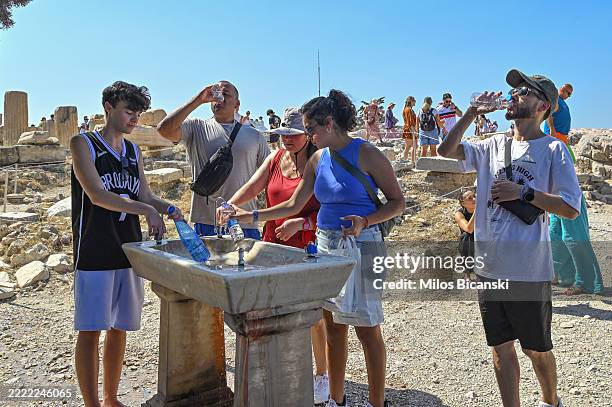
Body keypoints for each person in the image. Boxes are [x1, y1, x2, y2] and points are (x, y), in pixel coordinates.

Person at [225, 90, 405, 407]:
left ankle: (378, 402)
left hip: (362, 244)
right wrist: (253, 215)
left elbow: (397, 202)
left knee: (366, 328)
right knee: (333, 327)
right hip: (326, 245)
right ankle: (337, 399)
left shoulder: (368, 154)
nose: (307, 135)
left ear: (330, 123)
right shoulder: (318, 158)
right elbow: (294, 204)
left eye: (311, 129)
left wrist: (366, 219)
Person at [439, 69, 582, 407]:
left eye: (524, 92)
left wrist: (525, 192)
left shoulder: (553, 150)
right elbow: (447, 150)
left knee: (536, 348)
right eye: (515, 90)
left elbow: (571, 208)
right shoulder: (492, 145)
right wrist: (471, 112)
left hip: (527, 271)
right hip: (489, 269)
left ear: (543, 106)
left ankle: (551, 400)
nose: (515, 95)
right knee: (500, 349)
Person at [70, 81, 184, 407]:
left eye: (138, 112)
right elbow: (96, 194)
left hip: (130, 250)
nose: (134, 118)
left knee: (120, 328)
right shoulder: (83, 144)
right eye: (128, 111)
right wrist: (146, 210)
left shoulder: (134, 151)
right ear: (108, 107)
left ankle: (110, 398)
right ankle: (92, 403)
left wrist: (170, 209)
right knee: (91, 330)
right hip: (95, 249)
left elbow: (144, 194)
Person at [220, 108, 329, 403]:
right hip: (274, 242)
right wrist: (229, 204)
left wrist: (304, 223)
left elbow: (330, 208)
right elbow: (253, 186)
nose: (287, 140)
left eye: (294, 135)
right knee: (273, 307)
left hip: (308, 242)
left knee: (312, 313)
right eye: (283, 135)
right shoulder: (275, 159)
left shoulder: (320, 162)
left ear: (308, 135)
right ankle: (283, 365)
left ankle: (322, 374)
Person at [157, 81, 270, 239]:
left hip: (243, 222)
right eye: (217, 94)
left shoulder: (254, 135)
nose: (219, 98)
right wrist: (198, 100)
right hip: (207, 223)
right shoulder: (196, 128)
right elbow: (163, 130)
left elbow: (269, 175)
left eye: (226, 95)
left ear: (237, 104)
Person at [544, 84, 603, 295]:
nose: (567, 94)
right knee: (555, 233)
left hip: (566, 198)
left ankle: (586, 281)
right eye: (566, 90)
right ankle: (562, 275)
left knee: (572, 236)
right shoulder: (553, 105)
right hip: (554, 197)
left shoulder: (558, 145)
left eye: (569, 93)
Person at [454, 190, 476, 279]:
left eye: (474, 196)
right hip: (468, 238)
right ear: (463, 203)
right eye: (470, 198)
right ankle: (467, 273)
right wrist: (477, 211)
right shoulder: (459, 214)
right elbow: (469, 229)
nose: (474, 199)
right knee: (467, 237)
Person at [402, 96, 417, 163]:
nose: (415, 102)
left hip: (407, 129)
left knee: (408, 147)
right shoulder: (409, 109)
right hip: (410, 130)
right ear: (411, 101)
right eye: (414, 101)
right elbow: (410, 122)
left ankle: (405, 161)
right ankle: (413, 162)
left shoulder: (405, 109)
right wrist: (414, 130)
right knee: (414, 146)